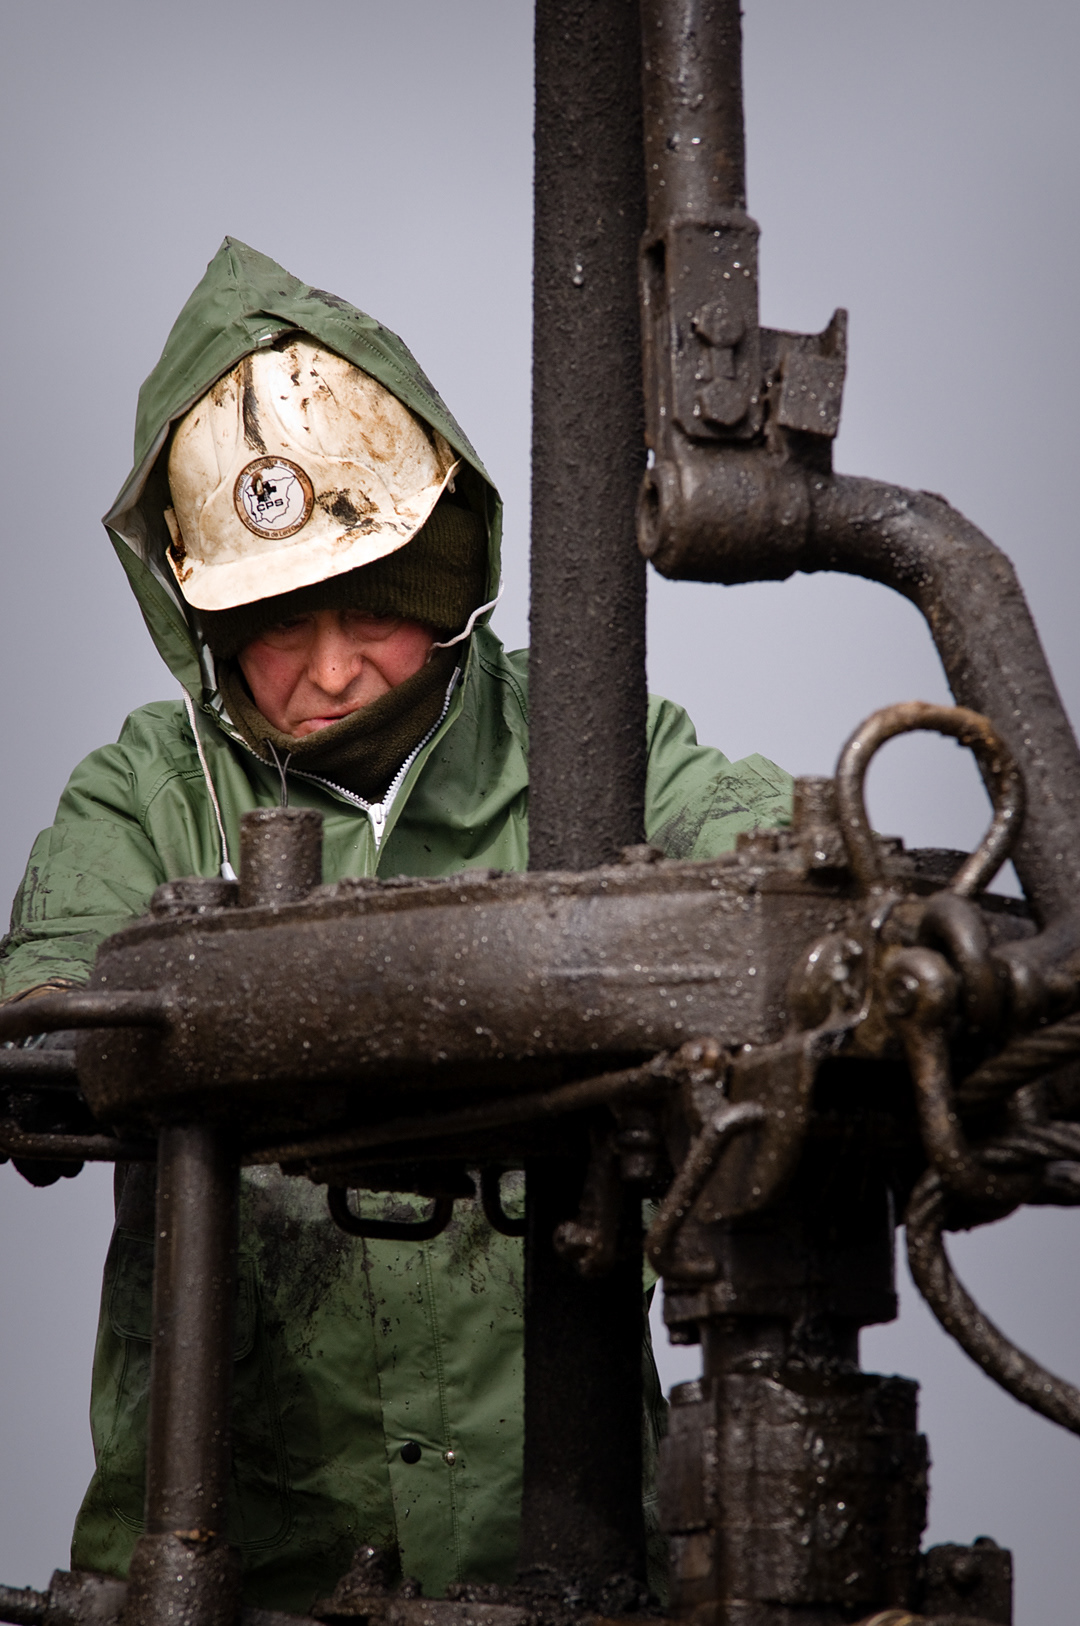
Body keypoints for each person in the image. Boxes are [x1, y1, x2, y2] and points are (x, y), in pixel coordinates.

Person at [0, 239, 793, 1614]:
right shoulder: (144, 791)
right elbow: (45, 1014)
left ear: (443, 572)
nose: (328, 669)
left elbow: (764, 858)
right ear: (201, 612)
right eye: (273, 621)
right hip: (235, 1567)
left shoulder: (596, 744)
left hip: (567, 1565)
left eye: (371, 609)